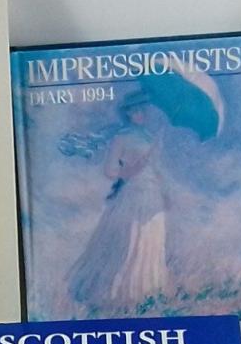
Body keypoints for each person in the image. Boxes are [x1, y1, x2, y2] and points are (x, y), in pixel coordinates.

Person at [68, 92, 167, 313]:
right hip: (133, 193)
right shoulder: (121, 138)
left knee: (151, 240)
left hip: (153, 194)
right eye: (135, 110)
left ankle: (146, 293)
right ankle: (120, 295)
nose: (140, 114)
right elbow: (110, 171)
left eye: (142, 110)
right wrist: (131, 169)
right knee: (129, 241)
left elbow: (156, 169)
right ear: (127, 113)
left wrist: (164, 190)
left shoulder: (151, 137)